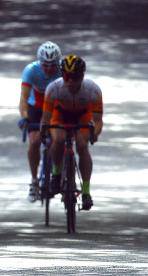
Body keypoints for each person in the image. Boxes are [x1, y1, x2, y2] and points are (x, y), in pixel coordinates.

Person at [42, 55, 103, 210]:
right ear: (63, 76)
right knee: (59, 140)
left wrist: (94, 133)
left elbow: (97, 121)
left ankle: (86, 192)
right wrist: (44, 130)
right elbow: (46, 118)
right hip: (60, 114)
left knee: (82, 145)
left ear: (82, 76)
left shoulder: (93, 90)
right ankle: (56, 175)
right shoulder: (53, 88)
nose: (70, 81)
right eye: (67, 77)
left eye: (74, 77)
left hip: (82, 116)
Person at [19, 41, 61, 201]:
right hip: (36, 107)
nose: (49, 68)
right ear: (39, 62)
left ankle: (61, 174)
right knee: (35, 141)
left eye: (53, 65)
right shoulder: (31, 70)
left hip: (57, 107)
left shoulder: (64, 70)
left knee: (59, 140)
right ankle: (34, 181)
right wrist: (24, 116)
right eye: (45, 64)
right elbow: (23, 97)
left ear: (59, 63)